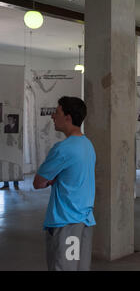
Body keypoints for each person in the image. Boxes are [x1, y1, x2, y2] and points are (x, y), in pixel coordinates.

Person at [33, 96, 96, 271]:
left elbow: (38, 182)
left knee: (64, 267)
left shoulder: (62, 148)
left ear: (67, 117)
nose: (53, 116)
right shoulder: (87, 145)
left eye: (57, 112)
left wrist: (51, 179)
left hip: (66, 223)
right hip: (84, 220)